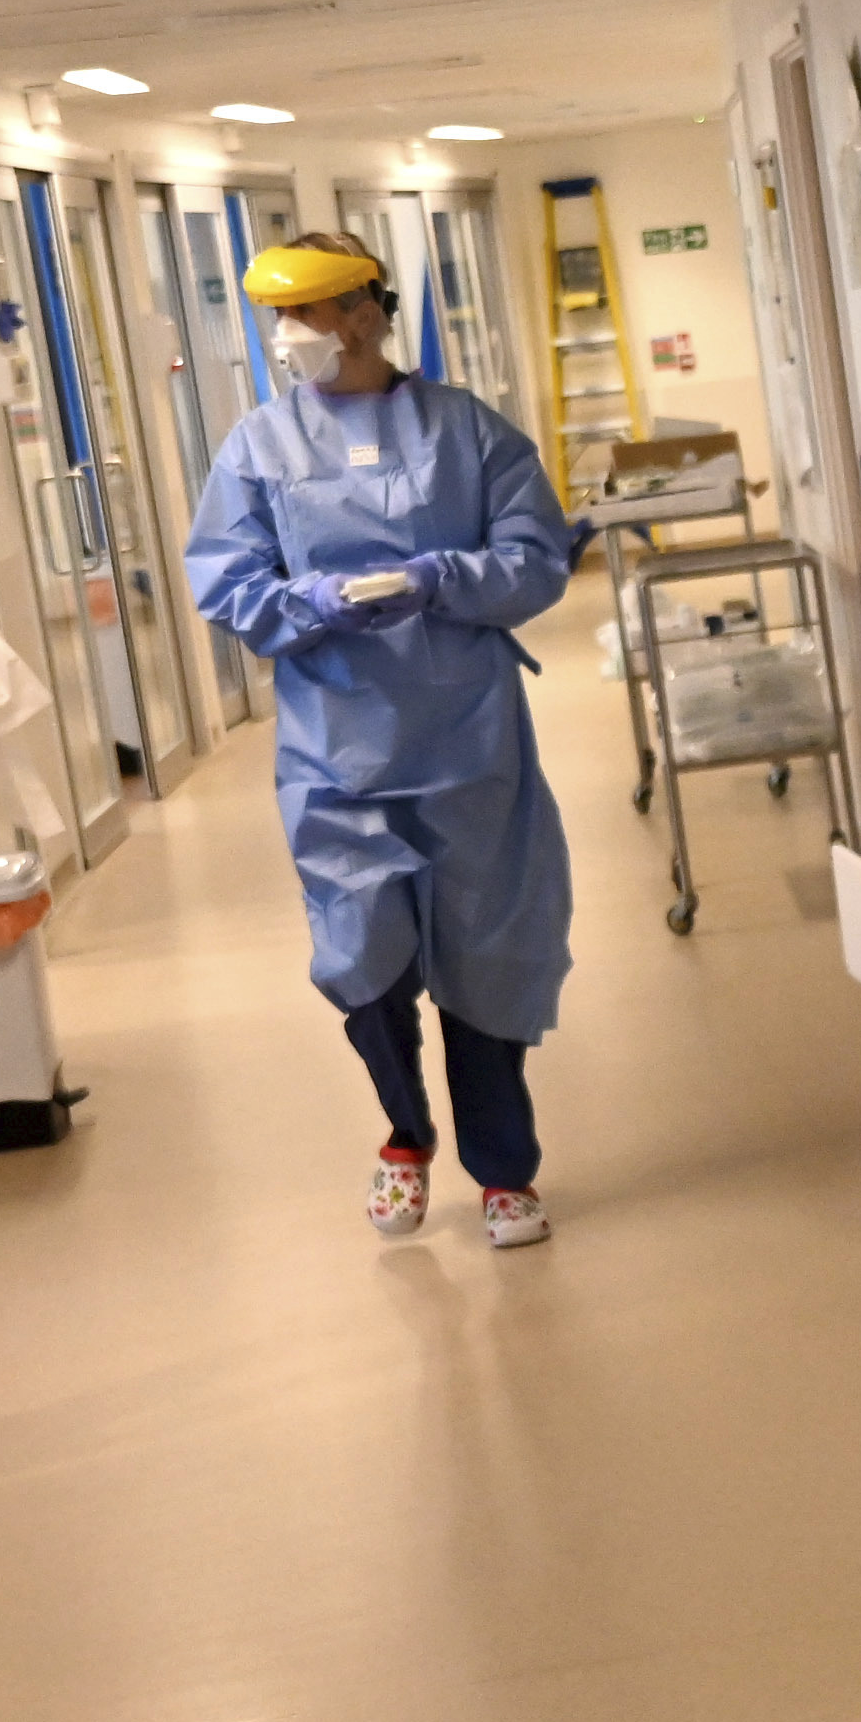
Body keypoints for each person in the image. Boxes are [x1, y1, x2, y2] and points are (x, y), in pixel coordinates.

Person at [185, 229, 574, 1249]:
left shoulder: (468, 432)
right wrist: (307, 603)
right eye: (277, 318)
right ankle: (404, 1134)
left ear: (362, 312)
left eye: (303, 315)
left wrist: (445, 578)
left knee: (484, 953)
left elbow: (537, 560)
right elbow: (226, 584)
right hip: (336, 745)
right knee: (362, 954)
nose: (287, 338)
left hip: (465, 734)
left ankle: (504, 1172)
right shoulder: (257, 449)